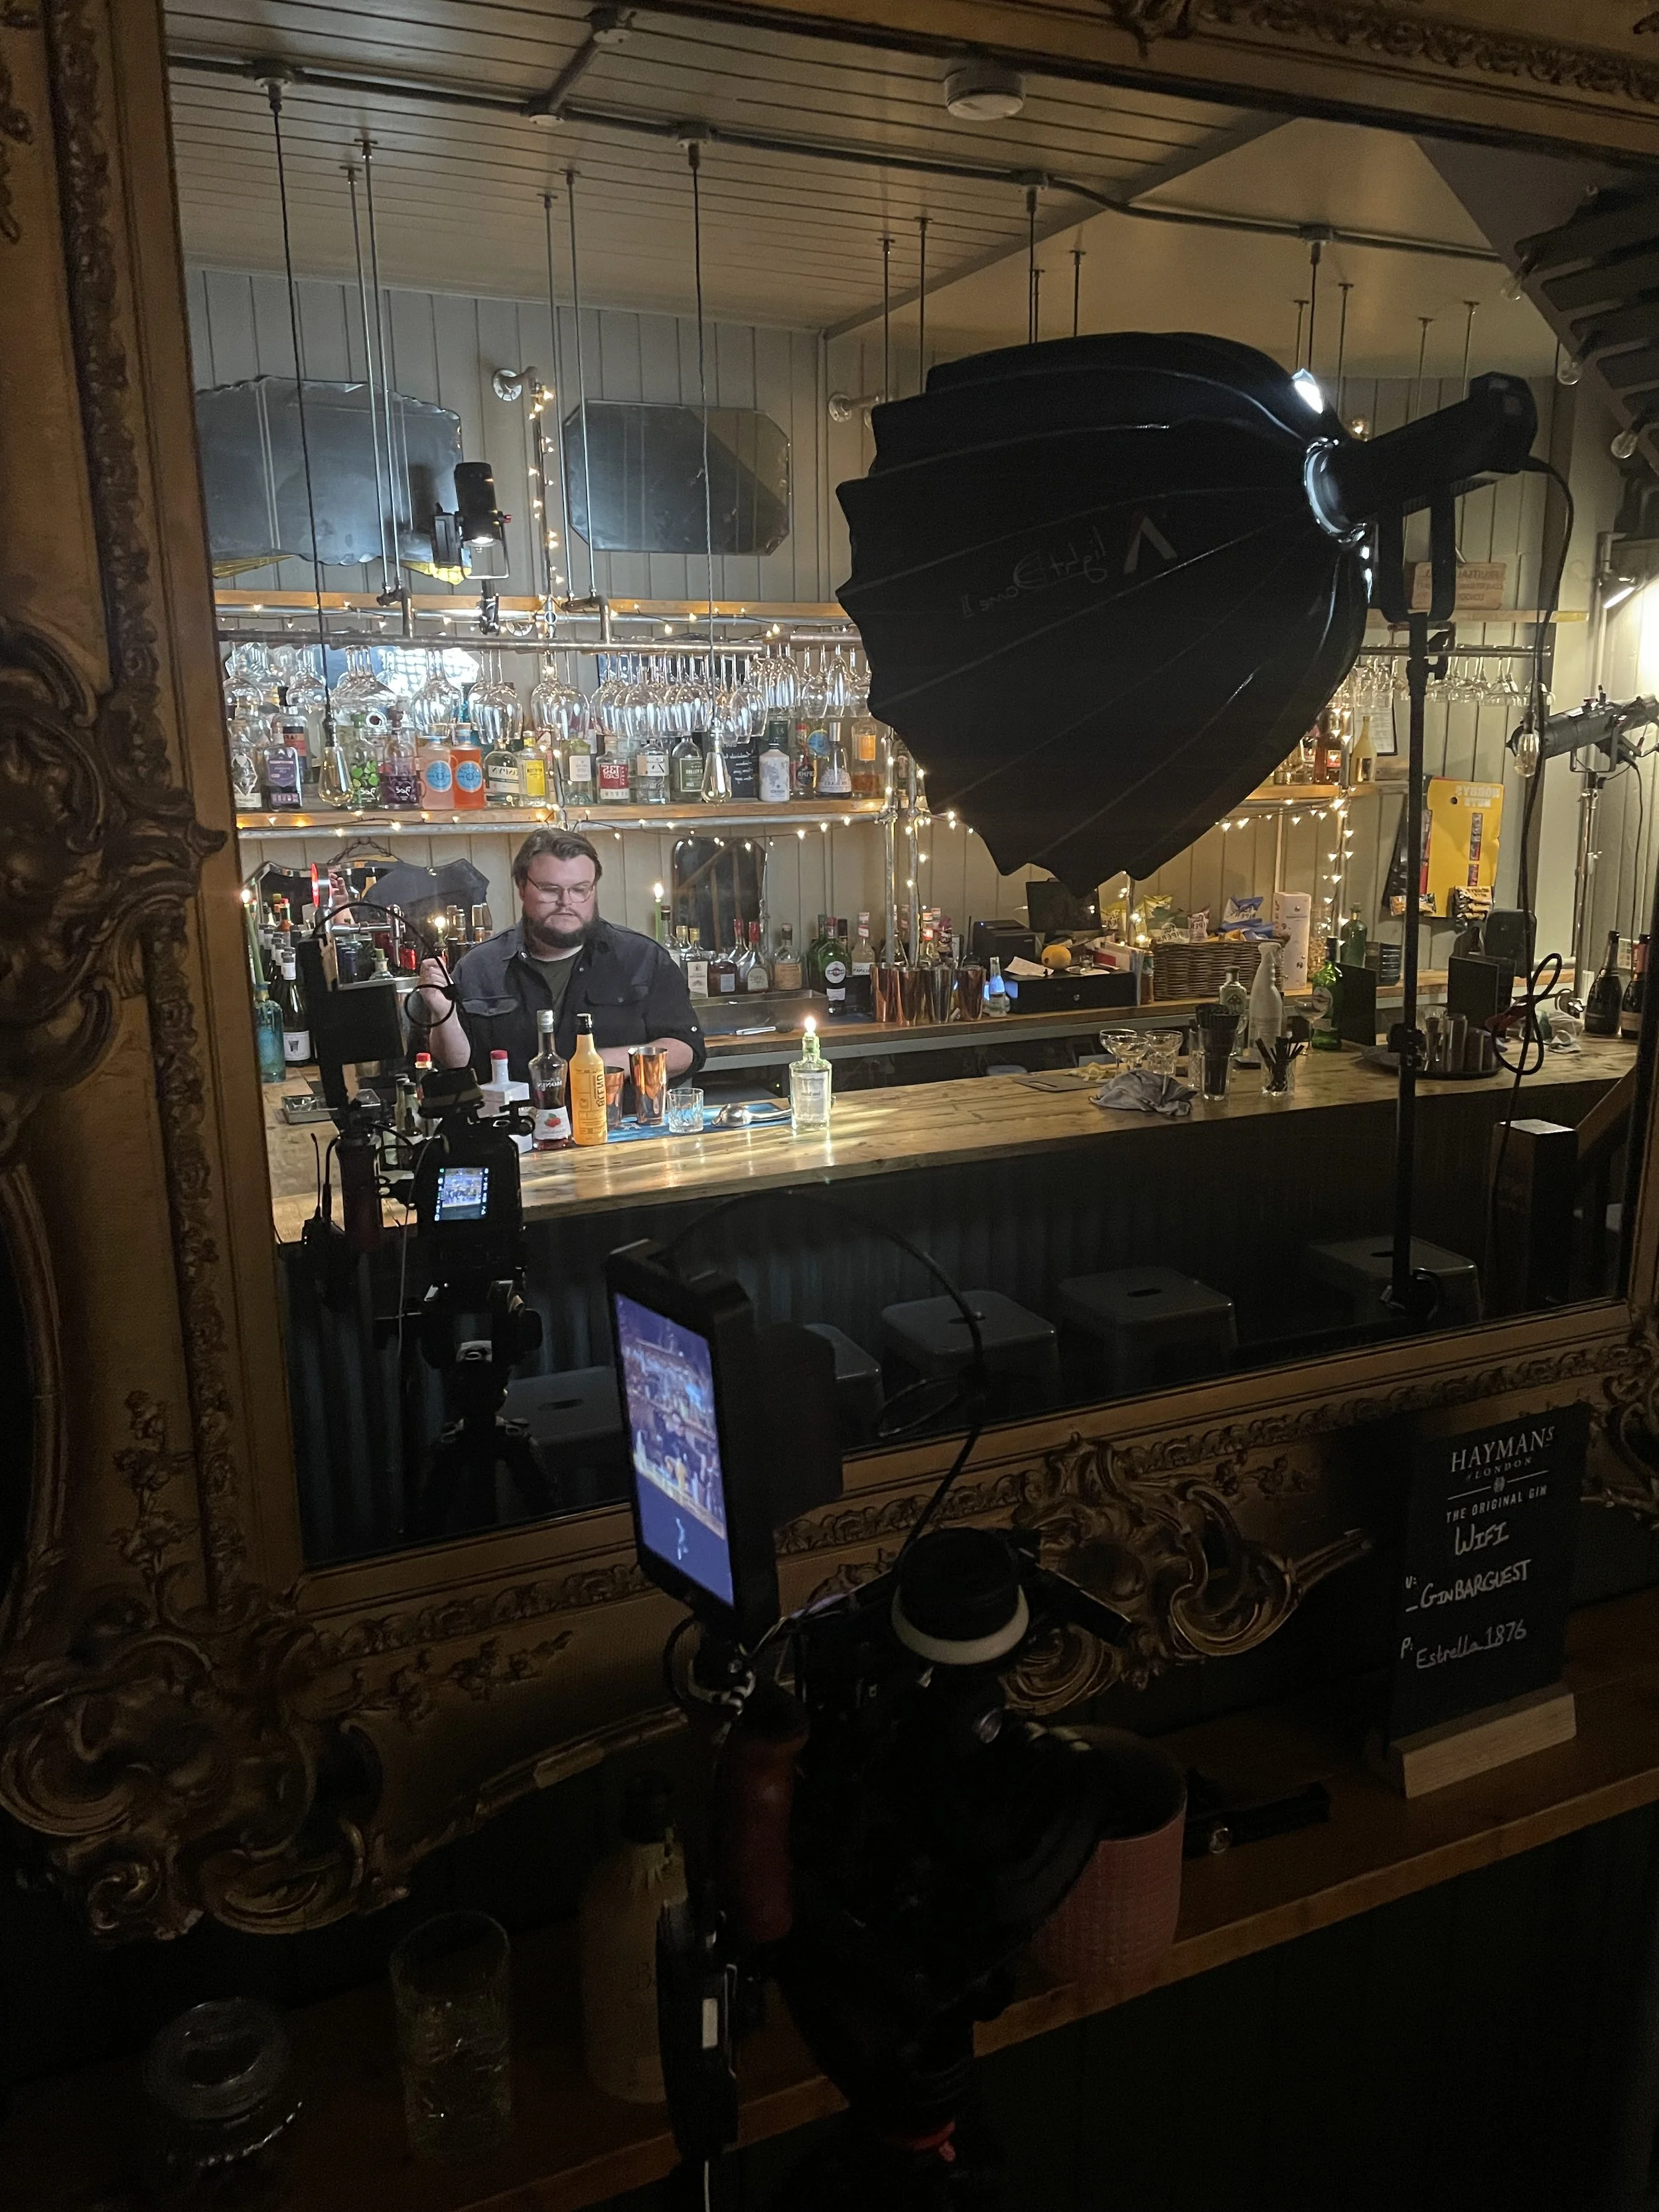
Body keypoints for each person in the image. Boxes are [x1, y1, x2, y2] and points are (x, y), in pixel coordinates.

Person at [413, 828, 704, 1084]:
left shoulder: (642, 959)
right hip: (517, 1135)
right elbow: (457, 1065)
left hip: (620, 1132)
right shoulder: (479, 968)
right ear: (522, 889)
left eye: (580, 890)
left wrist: (605, 1061)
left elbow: (688, 1051)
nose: (567, 903)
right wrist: (443, 1013)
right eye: (551, 890)